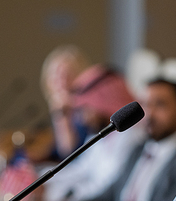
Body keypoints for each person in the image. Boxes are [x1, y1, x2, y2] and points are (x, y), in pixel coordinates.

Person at [86, 78, 176, 201]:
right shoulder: (139, 148)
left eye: (160, 104)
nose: (149, 113)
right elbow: (111, 192)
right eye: (145, 104)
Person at [43, 64, 141, 201]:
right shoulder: (101, 133)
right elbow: (81, 169)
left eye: (86, 109)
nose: (83, 118)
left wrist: (61, 195)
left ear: (103, 102)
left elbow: (106, 188)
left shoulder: (132, 137)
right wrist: (41, 180)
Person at [40, 45, 91, 160]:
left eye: (67, 75)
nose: (61, 82)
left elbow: (67, 151)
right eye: (56, 75)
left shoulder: (86, 111)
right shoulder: (57, 105)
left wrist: (63, 115)